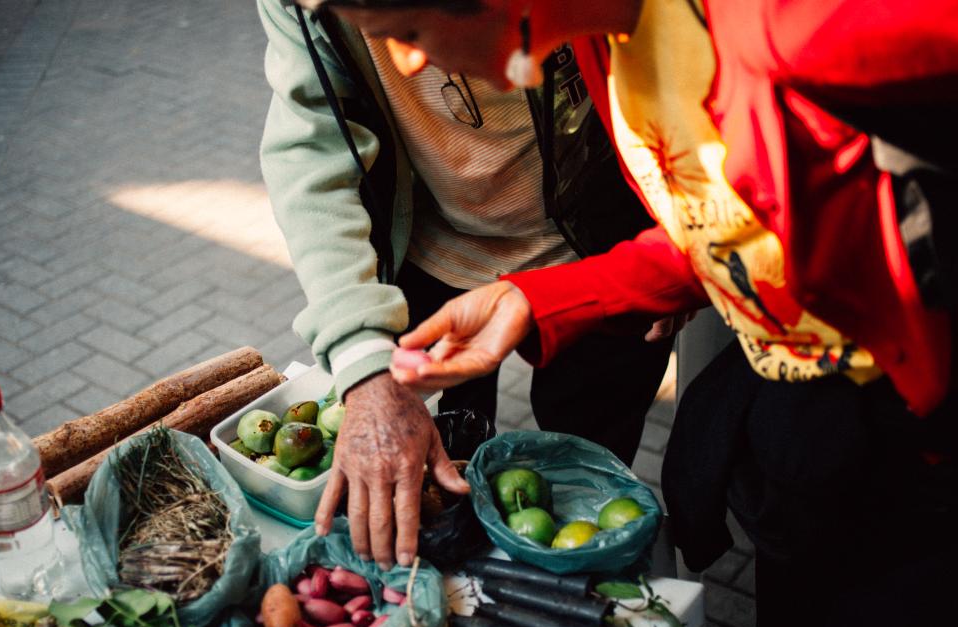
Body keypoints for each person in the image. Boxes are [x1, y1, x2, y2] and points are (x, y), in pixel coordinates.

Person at [294, 0, 958, 627]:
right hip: (824, 441)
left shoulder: (807, 20)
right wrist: (546, 300)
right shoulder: (607, 43)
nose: (409, 68)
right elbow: (746, 222)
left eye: (406, 31)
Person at [255, 0, 679, 571]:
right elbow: (312, 150)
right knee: (447, 437)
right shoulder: (299, 6)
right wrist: (363, 354)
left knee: (589, 454)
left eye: (409, 26)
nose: (406, 64)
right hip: (431, 254)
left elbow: (676, 100)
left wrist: (670, 248)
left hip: (598, 250)